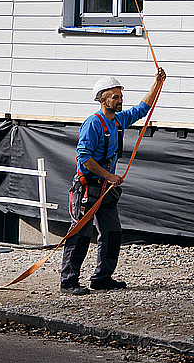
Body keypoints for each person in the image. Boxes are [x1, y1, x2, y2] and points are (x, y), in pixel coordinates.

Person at [59, 69, 166, 295]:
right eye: (115, 96)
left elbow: (142, 109)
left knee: (112, 232)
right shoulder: (93, 124)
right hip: (88, 187)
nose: (120, 100)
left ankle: (102, 277)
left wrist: (157, 83)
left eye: (120, 96)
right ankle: (68, 281)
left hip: (106, 190)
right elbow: (84, 158)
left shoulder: (119, 121)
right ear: (102, 99)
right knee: (80, 233)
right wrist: (109, 176)